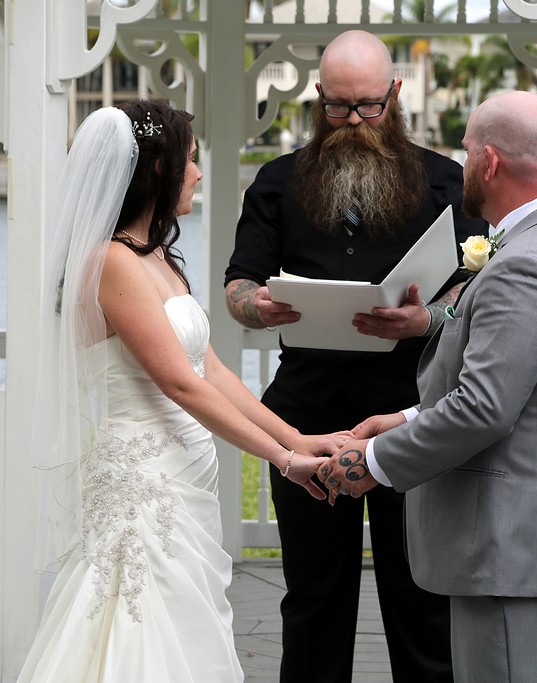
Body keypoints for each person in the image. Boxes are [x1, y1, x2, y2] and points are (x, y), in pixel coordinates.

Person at [19, 100, 347, 682]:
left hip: (187, 479)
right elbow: (179, 383)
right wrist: (284, 461)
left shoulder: (157, 259)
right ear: (158, 169)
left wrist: (297, 437)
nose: (197, 173)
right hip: (145, 486)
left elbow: (211, 370)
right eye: (191, 160)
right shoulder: (112, 263)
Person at [318, 90, 537, 682]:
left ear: (489, 162)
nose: (461, 165)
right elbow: (522, 390)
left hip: (513, 552)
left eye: (465, 151)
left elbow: (484, 408)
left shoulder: (524, 266)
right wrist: (407, 418)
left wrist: (372, 461)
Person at [224, 29, 483, 683]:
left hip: (414, 415)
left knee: (422, 598)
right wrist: (260, 307)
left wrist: (427, 317)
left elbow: (479, 289)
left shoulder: (445, 180)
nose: (354, 122)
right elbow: (238, 286)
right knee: (313, 597)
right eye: (338, 107)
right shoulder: (277, 181)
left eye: (369, 105)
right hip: (306, 416)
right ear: (319, 97)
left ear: (394, 94)